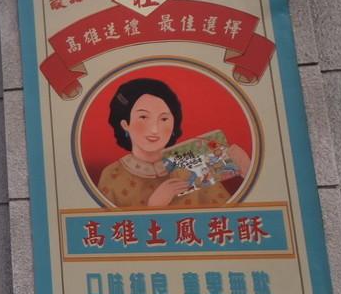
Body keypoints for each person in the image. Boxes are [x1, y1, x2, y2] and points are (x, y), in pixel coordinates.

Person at [96, 78, 251, 208]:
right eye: (143, 117)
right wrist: (154, 207)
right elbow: (107, 229)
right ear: (125, 124)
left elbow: (228, 218)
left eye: (164, 119)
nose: (155, 129)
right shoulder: (112, 175)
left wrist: (247, 170)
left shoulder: (195, 162)